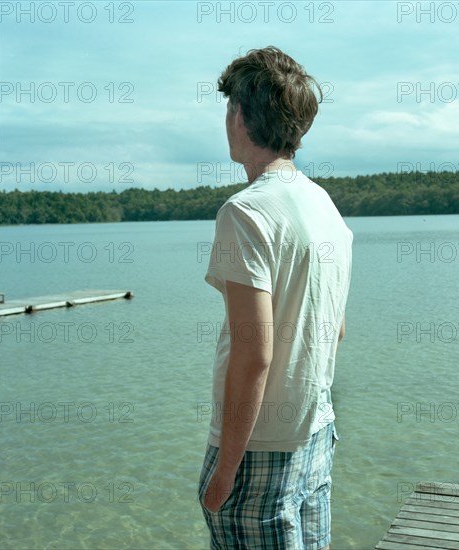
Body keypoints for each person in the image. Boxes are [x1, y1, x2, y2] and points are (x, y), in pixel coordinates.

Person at [198, 46, 353, 550]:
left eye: (229, 108)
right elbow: (336, 327)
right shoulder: (323, 205)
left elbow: (254, 353)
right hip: (315, 431)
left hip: (258, 449)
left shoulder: (245, 213)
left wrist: (224, 473)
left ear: (240, 116)